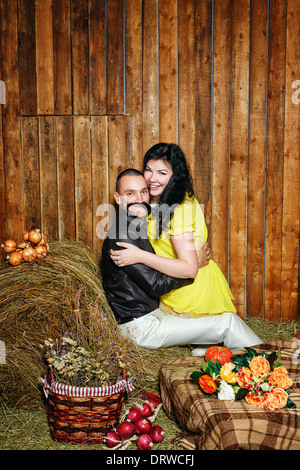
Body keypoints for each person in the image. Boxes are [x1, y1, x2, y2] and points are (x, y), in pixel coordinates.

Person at [103, 167, 262, 354]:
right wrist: (193, 266)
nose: (139, 199)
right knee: (227, 323)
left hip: (152, 316)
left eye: (143, 191)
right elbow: (157, 285)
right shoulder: (122, 236)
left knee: (208, 329)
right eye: (130, 193)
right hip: (141, 326)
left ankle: (204, 354)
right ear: (118, 197)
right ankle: (272, 366)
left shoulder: (137, 224)